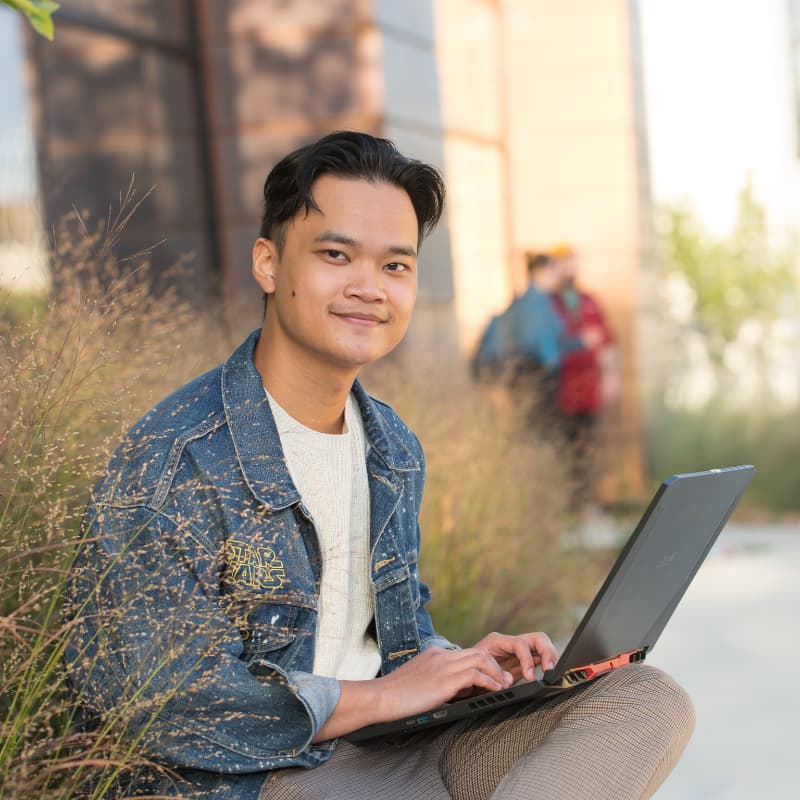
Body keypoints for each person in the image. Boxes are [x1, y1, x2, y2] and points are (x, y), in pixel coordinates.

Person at [65, 132, 693, 799]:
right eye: (337, 255)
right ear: (269, 264)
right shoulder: (176, 460)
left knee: (646, 699)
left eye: (395, 266)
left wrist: (455, 663)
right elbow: (166, 704)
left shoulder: (388, 446)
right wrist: (386, 694)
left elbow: (387, 626)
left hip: (398, 747)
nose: (368, 288)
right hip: (266, 775)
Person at [550, 245, 619, 503]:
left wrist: (611, 376)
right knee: (563, 449)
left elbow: (607, 341)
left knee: (587, 447)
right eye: (564, 263)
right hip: (561, 391)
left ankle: (585, 503)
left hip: (589, 391)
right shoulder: (549, 303)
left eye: (573, 262)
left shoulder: (590, 301)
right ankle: (567, 506)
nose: (570, 268)